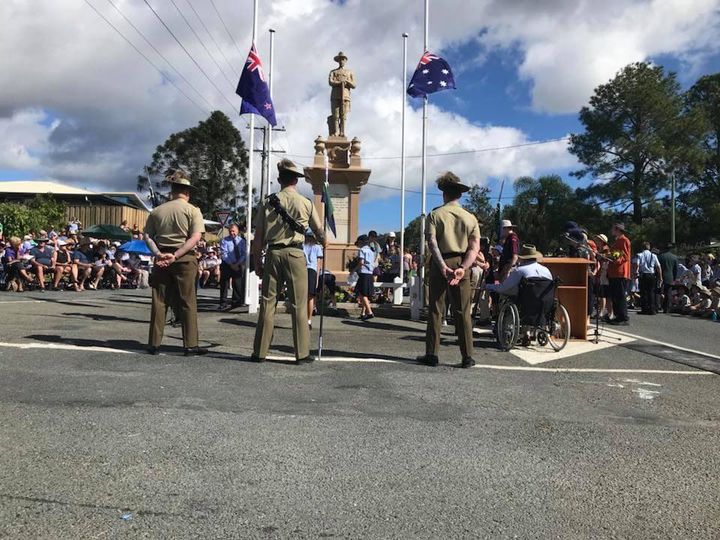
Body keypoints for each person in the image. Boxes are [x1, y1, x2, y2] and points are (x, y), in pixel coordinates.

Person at [251, 159, 326, 364]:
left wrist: (257, 262)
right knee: (299, 305)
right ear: (296, 180)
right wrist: (324, 240)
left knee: (268, 304)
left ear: (279, 179)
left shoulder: (268, 202)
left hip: (273, 253)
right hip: (295, 254)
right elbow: (319, 232)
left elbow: (258, 237)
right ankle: (301, 353)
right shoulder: (306, 203)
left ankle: (259, 352)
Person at [417, 172, 480, 369]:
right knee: (463, 311)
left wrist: (442, 266)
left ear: (444, 194)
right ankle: (467, 356)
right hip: (462, 262)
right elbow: (474, 247)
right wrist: (462, 268)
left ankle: (432, 354)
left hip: (440, 262)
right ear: (459, 195)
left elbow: (432, 243)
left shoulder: (435, 215)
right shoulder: (470, 218)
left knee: (436, 309)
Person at [144, 169, 206, 356]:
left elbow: (147, 236)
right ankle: (190, 345)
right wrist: (177, 255)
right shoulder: (192, 210)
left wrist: (158, 253)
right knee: (188, 301)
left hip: (162, 257)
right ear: (187, 192)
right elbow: (195, 237)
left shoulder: (157, 211)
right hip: (184, 258)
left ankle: (154, 343)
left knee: (159, 301)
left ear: (172, 191)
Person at [487, 244, 553, 297]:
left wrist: (489, 286)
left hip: (526, 303)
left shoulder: (519, 271)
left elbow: (503, 287)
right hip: (544, 303)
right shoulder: (546, 270)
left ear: (522, 258)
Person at [218, 223, 246, 310]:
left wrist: (237, 264)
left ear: (237, 231)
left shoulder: (242, 241)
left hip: (237, 264)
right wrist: (231, 264)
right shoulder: (224, 241)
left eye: (233, 231)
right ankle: (223, 302)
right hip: (227, 264)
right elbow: (224, 254)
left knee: (237, 284)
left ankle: (236, 302)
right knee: (224, 284)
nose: (232, 233)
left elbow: (244, 254)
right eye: (230, 231)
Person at [303, 229, 324, 329]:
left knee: (302, 297)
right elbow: (319, 265)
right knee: (311, 297)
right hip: (312, 271)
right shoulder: (317, 247)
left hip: (302, 270)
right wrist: (317, 278)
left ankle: (303, 319)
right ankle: (309, 320)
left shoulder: (302, 246)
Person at [636, 241, 662, 315]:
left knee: (644, 292)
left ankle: (644, 309)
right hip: (651, 274)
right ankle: (652, 309)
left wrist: (635, 273)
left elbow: (637, 265)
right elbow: (658, 267)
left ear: (642, 247)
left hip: (643, 274)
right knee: (651, 292)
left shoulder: (640, 255)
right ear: (649, 247)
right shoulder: (653, 255)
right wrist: (660, 277)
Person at [355, 234, 376, 320]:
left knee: (361, 293)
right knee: (366, 294)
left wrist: (354, 269)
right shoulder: (371, 251)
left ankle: (370, 312)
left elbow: (361, 262)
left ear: (361, 242)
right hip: (370, 273)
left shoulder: (362, 250)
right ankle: (363, 313)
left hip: (364, 272)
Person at [656, 243, 678, 314]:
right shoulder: (674, 257)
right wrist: (674, 278)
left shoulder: (660, 256)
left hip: (660, 276)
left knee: (658, 292)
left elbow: (657, 267)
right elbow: (675, 269)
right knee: (668, 293)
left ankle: (657, 307)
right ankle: (667, 308)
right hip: (670, 277)